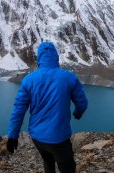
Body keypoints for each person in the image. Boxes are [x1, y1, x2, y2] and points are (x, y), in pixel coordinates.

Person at [7, 42, 88, 173]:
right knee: (67, 168)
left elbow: (19, 110)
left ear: (39, 58)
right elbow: (82, 102)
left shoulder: (29, 80)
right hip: (59, 138)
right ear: (56, 57)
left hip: (37, 137)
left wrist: (13, 136)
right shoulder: (68, 77)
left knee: (48, 161)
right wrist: (78, 113)